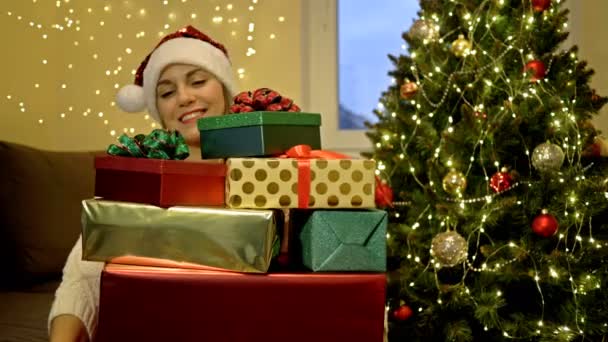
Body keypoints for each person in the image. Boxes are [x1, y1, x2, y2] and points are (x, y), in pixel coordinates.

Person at [48, 25, 237, 342]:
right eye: (166, 92)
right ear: (159, 111)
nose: (185, 98)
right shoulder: (138, 179)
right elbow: (84, 274)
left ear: (225, 90)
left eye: (198, 81)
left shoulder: (267, 168)